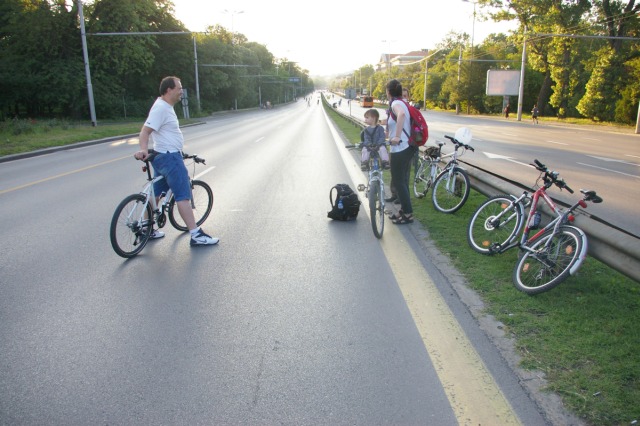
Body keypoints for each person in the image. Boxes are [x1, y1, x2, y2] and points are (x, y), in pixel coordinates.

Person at [134, 76, 219, 247]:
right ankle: (196, 234)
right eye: (179, 88)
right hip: (170, 158)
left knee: (155, 194)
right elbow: (145, 132)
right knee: (182, 196)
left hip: (162, 156)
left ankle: (147, 229)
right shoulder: (161, 109)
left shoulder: (164, 106)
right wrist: (143, 149)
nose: (182, 91)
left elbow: (165, 134)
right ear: (168, 90)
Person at [385, 79, 416, 224]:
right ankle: (404, 210)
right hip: (406, 147)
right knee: (401, 181)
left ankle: (408, 213)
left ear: (388, 92)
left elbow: (402, 115)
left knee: (399, 182)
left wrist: (397, 136)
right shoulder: (401, 102)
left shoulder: (396, 104)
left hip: (401, 147)